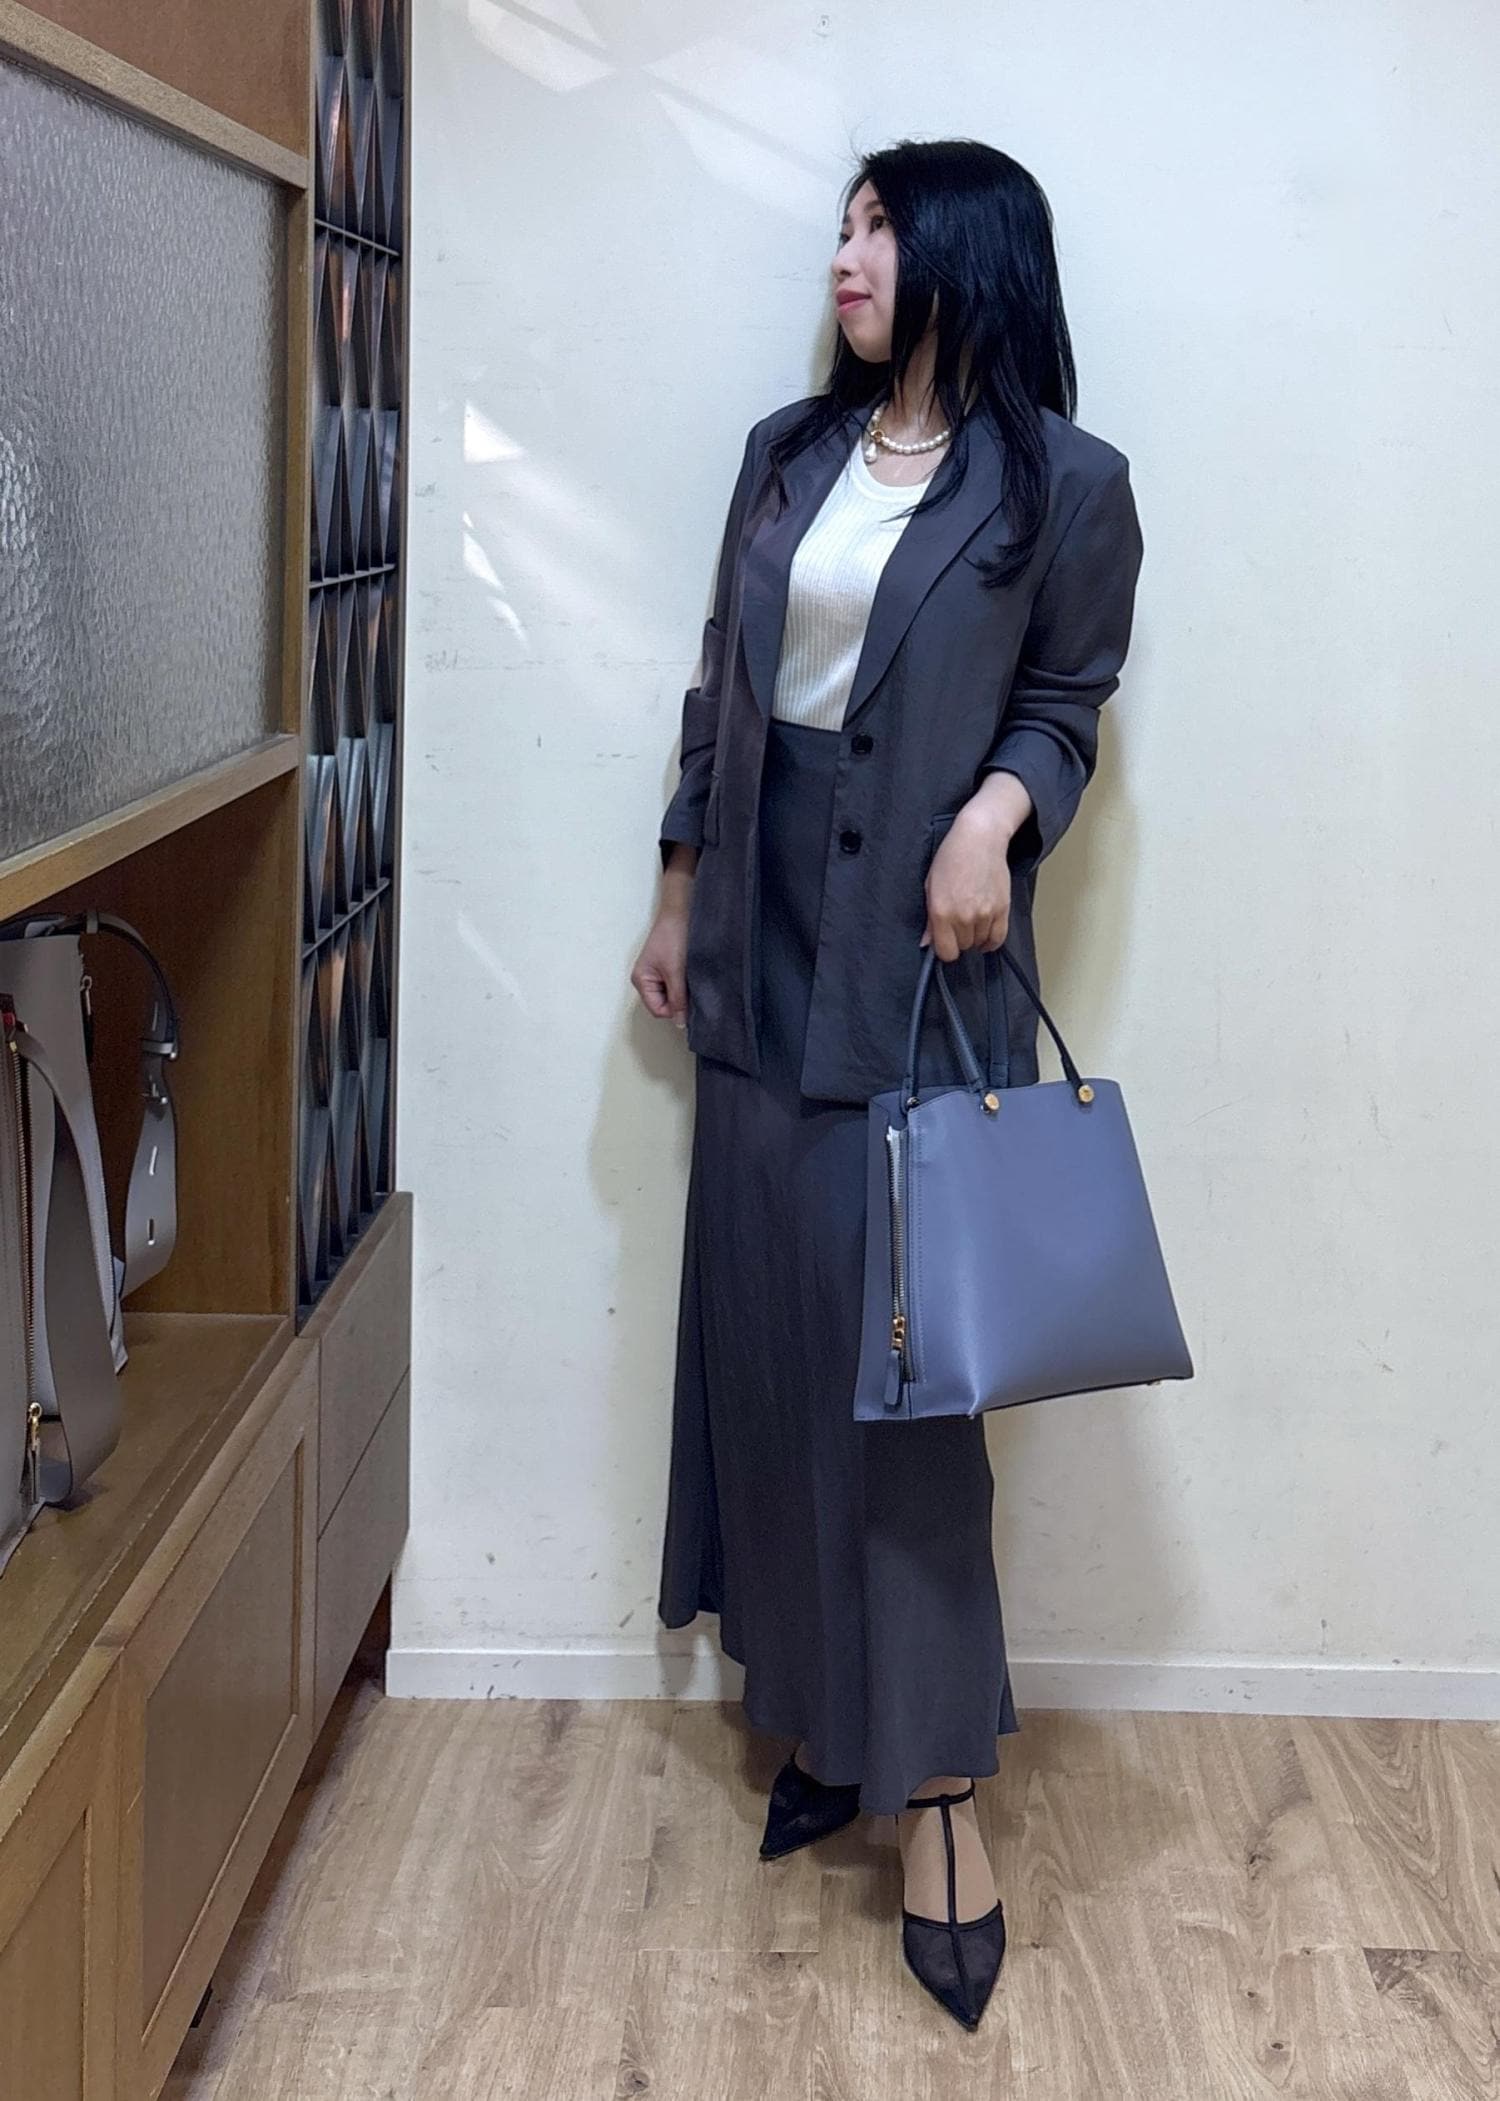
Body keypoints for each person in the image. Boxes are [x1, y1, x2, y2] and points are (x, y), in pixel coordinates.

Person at [630, 137, 1144, 2032]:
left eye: (877, 227)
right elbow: (725, 685)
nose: (843, 255)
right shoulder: (786, 453)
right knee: (771, 1345)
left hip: (917, 971)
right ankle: (823, 1726)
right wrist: (677, 888)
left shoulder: (1065, 484)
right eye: (841, 226)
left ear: (964, 254)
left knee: (907, 1394)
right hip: (757, 948)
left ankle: (935, 1794)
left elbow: (1068, 701)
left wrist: (995, 818)